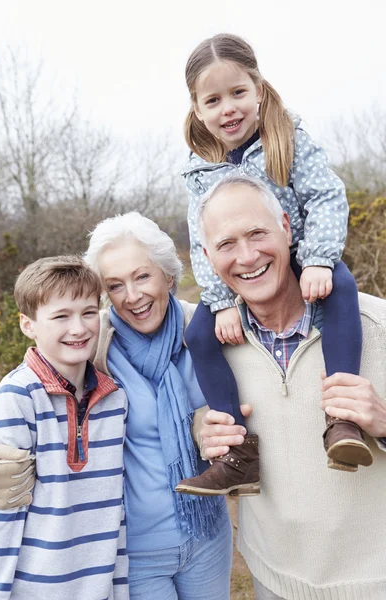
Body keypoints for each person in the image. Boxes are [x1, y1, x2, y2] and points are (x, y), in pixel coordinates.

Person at [0, 213, 232, 600]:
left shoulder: (203, 332)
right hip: (136, 547)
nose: (132, 296)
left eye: (142, 277)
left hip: (207, 533)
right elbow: (46, 361)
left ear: (168, 275)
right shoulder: (97, 347)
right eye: (115, 285)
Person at [176, 33, 371, 496]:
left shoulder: (289, 139)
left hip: (303, 256)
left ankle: (342, 419)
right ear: (197, 109)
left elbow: (326, 196)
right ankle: (238, 454)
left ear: (258, 89)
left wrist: (321, 259)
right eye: (214, 100)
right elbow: (200, 238)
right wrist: (222, 302)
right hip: (242, 278)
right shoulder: (198, 169)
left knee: (341, 290)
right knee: (199, 335)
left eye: (238, 93)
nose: (229, 108)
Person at [185, 175, 386, 600]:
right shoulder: (217, 346)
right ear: (207, 257)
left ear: (288, 227)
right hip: (273, 578)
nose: (247, 256)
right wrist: (206, 427)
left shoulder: (377, 327)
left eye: (258, 233)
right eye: (226, 244)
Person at [0, 256, 128, 599]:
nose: (78, 328)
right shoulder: (15, 400)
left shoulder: (115, 400)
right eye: (61, 316)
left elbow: (115, 513)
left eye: (88, 312)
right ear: (27, 324)